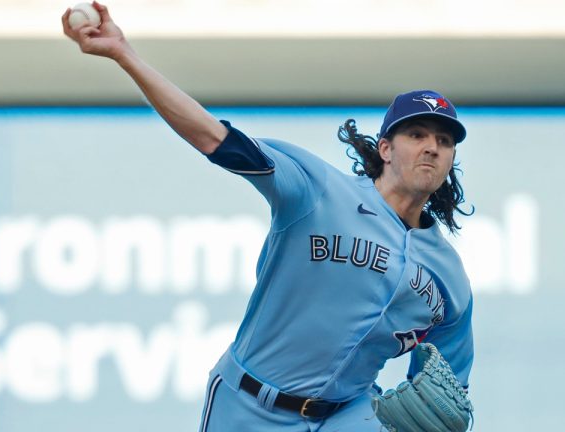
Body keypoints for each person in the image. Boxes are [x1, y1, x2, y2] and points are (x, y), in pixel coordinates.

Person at [62, 3, 475, 431]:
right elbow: (212, 136)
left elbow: (449, 392)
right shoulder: (318, 190)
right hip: (249, 405)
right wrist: (124, 54)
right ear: (386, 149)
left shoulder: (449, 277)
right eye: (417, 134)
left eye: (444, 141)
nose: (431, 147)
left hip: (351, 415)